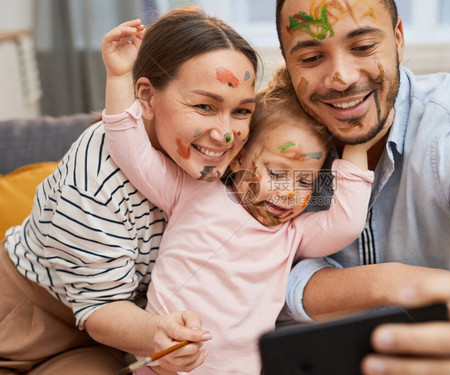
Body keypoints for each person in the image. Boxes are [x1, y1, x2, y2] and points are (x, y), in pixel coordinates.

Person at [275, 0, 450, 374]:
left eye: (363, 47)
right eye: (312, 58)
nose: (341, 78)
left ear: (398, 38)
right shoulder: (275, 138)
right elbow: (245, 267)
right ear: (286, 61)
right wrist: (388, 284)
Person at [101, 12, 377, 372]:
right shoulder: (192, 190)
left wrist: (353, 132)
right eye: (276, 172)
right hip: (159, 366)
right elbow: (129, 149)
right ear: (237, 159)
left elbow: (348, 222)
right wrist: (119, 75)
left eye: (305, 181)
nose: (289, 193)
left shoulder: (291, 234)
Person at [0, 8, 259, 374]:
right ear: (147, 98)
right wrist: (157, 333)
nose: (225, 133)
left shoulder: (227, 161)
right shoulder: (97, 177)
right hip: (22, 319)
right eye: (204, 106)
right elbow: (98, 308)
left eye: (241, 111)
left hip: (102, 339)